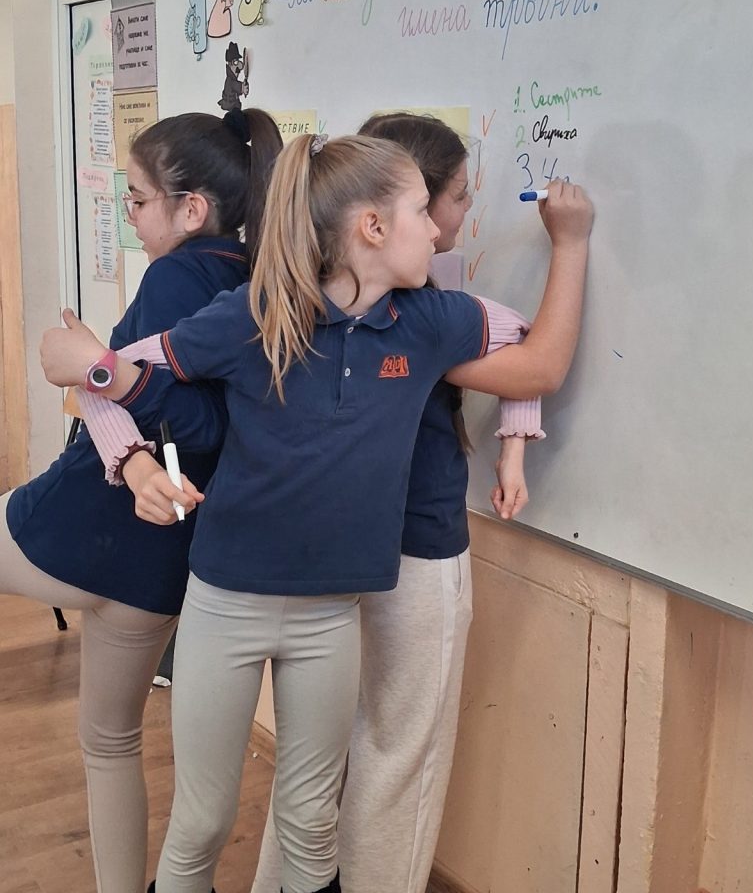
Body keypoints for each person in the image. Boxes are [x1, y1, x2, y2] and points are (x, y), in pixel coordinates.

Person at [40, 133, 593, 893]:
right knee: (201, 823)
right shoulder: (252, 317)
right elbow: (106, 373)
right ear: (373, 227)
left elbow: (529, 346)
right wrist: (130, 459)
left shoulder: (430, 322)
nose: (438, 231)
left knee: (311, 826)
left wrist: (515, 444)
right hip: (226, 608)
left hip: (330, 616)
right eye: (420, 212)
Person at [251, 112, 546, 893]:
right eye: (452, 197)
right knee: (400, 757)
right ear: (383, 220)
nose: (461, 215)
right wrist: (574, 247)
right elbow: (533, 354)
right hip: (418, 550)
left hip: (323, 555)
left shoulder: (306, 303)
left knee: (316, 757)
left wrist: (514, 442)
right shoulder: (427, 318)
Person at [1, 106, 282, 893]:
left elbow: (180, 414)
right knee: (110, 742)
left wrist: (91, 367)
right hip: (161, 564)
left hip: (85, 534)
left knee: (109, 743)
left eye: (137, 199)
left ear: (192, 209)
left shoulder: (178, 276)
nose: (128, 213)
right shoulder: (253, 279)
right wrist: (97, 372)